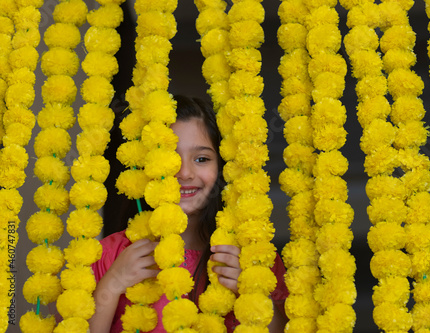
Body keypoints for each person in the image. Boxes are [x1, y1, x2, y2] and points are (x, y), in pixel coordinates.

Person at [89, 95, 289, 332]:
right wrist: (112, 285)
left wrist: (254, 295)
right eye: (170, 158)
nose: (184, 173)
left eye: (201, 159)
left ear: (223, 168)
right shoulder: (111, 255)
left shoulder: (253, 257)